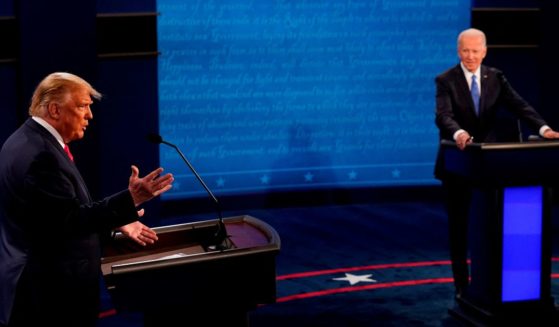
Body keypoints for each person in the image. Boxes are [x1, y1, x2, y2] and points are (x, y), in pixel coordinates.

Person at [0, 72, 174, 327]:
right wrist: (131, 199)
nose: (89, 115)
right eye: (82, 106)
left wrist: (115, 221)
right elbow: (69, 222)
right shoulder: (41, 156)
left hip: (37, 287)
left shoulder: (26, 140)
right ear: (55, 109)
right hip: (48, 298)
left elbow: (50, 219)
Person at [434, 28, 559, 298]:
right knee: (459, 228)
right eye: (465, 51)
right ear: (458, 50)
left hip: (489, 166)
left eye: (475, 51)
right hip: (457, 163)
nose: (470, 56)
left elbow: (519, 105)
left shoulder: (496, 77)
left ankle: (487, 284)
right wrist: (459, 133)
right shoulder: (445, 80)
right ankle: (461, 286)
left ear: (484, 51)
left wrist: (544, 128)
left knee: (489, 226)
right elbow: (443, 116)